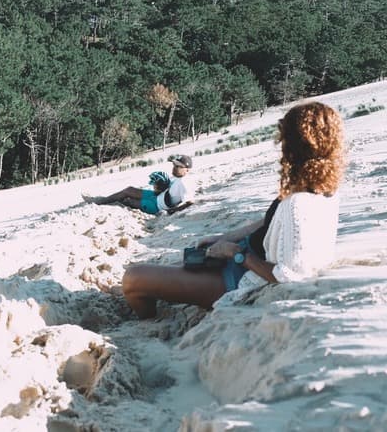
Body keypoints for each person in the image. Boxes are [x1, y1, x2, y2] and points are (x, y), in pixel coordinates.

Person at [121, 101, 345, 318]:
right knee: (180, 264)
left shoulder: (300, 203)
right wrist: (223, 238)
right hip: (242, 260)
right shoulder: (322, 189)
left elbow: (288, 274)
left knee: (133, 278)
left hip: (243, 277)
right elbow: (268, 223)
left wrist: (236, 254)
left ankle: (147, 323)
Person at [84, 155, 196, 215]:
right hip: (157, 196)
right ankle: (101, 200)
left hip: (157, 206)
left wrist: (172, 211)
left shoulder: (184, 182)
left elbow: (190, 202)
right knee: (129, 190)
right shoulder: (177, 177)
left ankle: (103, 203)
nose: (174, 167)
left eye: (178, 166)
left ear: (187, 170)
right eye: (174, 165)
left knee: (128, 201)